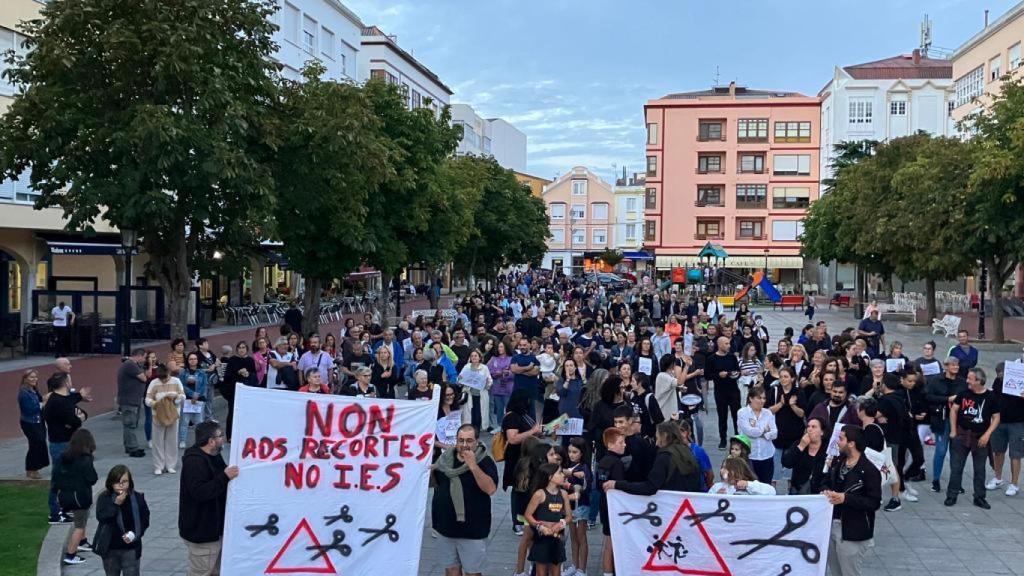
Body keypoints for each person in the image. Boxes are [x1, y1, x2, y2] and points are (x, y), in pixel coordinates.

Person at [431, 424, 498, 576]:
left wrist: (473, 466)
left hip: (472, 528)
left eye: (469, 441)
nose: (464, 445)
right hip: (445, 526)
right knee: (451, 570)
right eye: (461, 440)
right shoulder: (446, 458)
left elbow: (490, 489)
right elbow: (435, 484)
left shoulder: (485, 461)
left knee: (472, 572)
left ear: (477, 441)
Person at [179, 421, 238, 576]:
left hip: (214, 530)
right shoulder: (195, 462)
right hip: (202, 534)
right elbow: (200, 492)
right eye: (220, 436)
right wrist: (224, 477)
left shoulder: (213, 455)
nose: (223, 439)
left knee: (216, 571)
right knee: (201, 572)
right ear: (211, 441)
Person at [823, 425, 882, 576]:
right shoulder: (838, 462)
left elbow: (873, 503)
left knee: (850, 572)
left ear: (852, 443)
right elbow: (827, 482)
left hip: (853, 530)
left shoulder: (869, 471)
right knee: (835, 571)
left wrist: (846, 498)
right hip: (832, 525)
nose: (837, 442)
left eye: (841, 438)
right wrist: (825, 490)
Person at [946, 368, 1000, 509]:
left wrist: (987, 434)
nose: (967, 381)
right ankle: (952, 495)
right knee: (956, 467)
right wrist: (953, 430)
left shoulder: (990, 397)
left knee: (980, 469)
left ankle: (979, 497)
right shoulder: (964, 394)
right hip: (962, 435)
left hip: (980, 437)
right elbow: (954, 410)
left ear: (979, 381)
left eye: (970, 378)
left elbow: (996, 417)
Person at [42, 370, 92, 524]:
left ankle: (63, 508)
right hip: (61, 444)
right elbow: (74, 420)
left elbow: (71, 404)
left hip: (63, 442)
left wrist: (79, 398)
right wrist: (79, 418)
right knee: (59, 478)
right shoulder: (59, 402)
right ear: (65, 383)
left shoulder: (59, 399)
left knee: (66, 477)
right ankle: (55, 513)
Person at [605, 420, 701, 495]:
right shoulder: (686, 451)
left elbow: (650, 487)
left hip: (670, 508)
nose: (656, 442)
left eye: (658, 437)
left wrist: (618, 485)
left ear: (665, 436)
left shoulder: (665, 456)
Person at [93, 465, 150, 576]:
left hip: (131, 548)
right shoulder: (105, 498)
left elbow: (145, 519)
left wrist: (134, 534)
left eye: (124, 481)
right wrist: (116, 505)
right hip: (110, 547)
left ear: (130, 482)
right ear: (111, 483)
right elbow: (102, 517)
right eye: (117, 482)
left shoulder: (137, 498)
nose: (121, 485)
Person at [53, 429, 98, 565]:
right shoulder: (86, 459)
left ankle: (82, 542)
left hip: (65, 496)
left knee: (80, 520)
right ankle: (70, 554)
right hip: (80, 498)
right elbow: (92, 478)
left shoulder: (63, 457)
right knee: (80, 524)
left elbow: (56, 477)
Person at [502, 390, 542, 536]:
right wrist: (532, 431)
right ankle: (517, 522)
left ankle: (526, 518)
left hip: (529, 458)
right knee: (518, 491)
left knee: (526, 490)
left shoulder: (524, 415)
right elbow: (512, 439)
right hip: (516, 459)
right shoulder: (512, 417)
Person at [925, 356, 967, 493]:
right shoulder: (936, 380)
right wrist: (947, 399)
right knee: (941, 451)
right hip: (941, 420)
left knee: (957, 453)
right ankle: (936, 480)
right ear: (946, 366)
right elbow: (928, 397)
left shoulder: (962, 382)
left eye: (957, 365)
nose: (956, 367)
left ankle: (956, 482)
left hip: (958, 421)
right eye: (953, 365)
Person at [524, 462, 572, 576]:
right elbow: (528, 515)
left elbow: (569, 516)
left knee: (556, 571)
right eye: (559, 473)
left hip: (557, 537)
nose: (563, 475)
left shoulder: (563, 494)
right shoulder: (539, 494)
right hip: (542, 538)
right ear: (550, 477)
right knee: (541, 571)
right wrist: (539, 526)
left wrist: (561, 523)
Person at [767, 366, 805, 490]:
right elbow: (768, 411)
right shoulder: (775, 391)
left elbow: (802, 414)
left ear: (792, 378)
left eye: (786, 377)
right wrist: (781, 404)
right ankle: (773, 494)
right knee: (774, 468)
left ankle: (790, 494)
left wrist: (792, 405)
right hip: (777, 435)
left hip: (794, 436)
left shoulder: (799, 392)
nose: (783, 379)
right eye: (781, 376)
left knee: (790, 471)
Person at [990, 361, 1024, 496]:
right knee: (998, 451)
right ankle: (998, 478)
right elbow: (994, 397)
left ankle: (1014, 484)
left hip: (1018, 422)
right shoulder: (998, 382)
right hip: (999, 421)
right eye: (999, 374)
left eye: (1002, 374)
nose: (1000, 376)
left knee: (1015, 454)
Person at [596, 428, 626, 576]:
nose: (624, 445)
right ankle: (609, 571)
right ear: (610, 444)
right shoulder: (617, 463)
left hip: (603, 505)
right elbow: (620, 486)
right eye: (621, 442)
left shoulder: (602, 462)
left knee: (608, 540)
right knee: (612, 543)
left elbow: (597, 485)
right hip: (614, 507)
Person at [145, 363, 184, 475]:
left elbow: (183, 396)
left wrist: (175, 397)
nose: (163, 380)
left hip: (173, 415)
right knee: (157, 442)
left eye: (165, 377)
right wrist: (156, 403)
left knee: (172, 440)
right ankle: (159, 466)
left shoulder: (176, 381)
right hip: (157, 415)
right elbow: (147, 399)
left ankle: (170, 465)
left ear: (169, 373)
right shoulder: (154, 382)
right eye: (160, 378)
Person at [737, 386, 778, 484]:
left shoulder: (768, 413)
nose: (762, 401)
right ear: (751, 398)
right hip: (749, 456)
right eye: (759, 398)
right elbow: (749, 431)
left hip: (767, 455)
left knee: (765, 485)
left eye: (764, 398)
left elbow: (774, 433)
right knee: (749, 485)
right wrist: (764, 430)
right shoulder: (742, 413)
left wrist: (761, 433)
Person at [563, 438, 591, 576]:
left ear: (582, 453)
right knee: (573, 537)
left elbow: (586, 485)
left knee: (581, 537)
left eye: (575, 452)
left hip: (581, 506)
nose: (571, 454)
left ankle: (582, 569)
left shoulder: (583, 468)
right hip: (571, 505)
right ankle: (575, 565)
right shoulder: (571, 465)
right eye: (569, 451)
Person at [707, 335, 741, 449]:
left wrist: (736, 374)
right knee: (722, 416)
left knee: (737, 416)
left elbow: (738, 371)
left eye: (729, 343)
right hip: (720, 391)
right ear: (719, 344)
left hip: (733, 390)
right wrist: (718, 375)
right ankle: (723, 439)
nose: (729, 345)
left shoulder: (732, 357)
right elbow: (707, 375)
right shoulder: (711, 359)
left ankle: (738, 438)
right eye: (726, 344)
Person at [782, 417, 828, 495]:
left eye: (814, 427)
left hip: (818, 493)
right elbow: (786, 463)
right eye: (808, 426)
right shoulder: (799, 443)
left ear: (822, 432)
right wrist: (801, 446)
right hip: (798, 491)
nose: (809, 429)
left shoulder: (827, 449)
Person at [117, 350, 149, 458]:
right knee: (130, 424)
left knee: (131, 424)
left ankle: (130, 446)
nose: (144, 360)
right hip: (129, 400)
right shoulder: (131, 365)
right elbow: (144, 378)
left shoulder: (130, 365)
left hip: (132, 399)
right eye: (144, 357)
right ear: (139, 356)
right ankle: (133, 448)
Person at [18, 369, 49, 479]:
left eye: (35, 377)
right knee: (36, 444)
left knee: (38, 443)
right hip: (30, 422)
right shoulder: (24, 393)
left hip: (38, 421)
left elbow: (39, 400)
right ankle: (31, 468)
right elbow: (31, 409)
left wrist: (44, 398)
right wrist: (43, 403)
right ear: (25, 379)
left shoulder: (34, 390)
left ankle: (34, 468)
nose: (34, 379)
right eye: (31, 377)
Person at [179, 352, 210, 448]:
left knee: (199, 421)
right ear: (187, 361)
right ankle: (182, 441)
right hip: (187, 399)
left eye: (195, 359)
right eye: (190, 359)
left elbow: (204, 385)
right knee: (184, 421)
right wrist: (192, 394)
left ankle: (199, 441)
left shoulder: (202, 372)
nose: (193, 361)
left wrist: (197, 395)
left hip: (199, 400)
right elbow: (181, 385)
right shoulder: (183, 372)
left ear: (197, 360)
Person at [708, 456, 775, 495]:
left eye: (726, 468)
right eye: (722, 467)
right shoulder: (717, 487)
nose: (722, 470)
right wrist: (716, 497)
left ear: (737, 470)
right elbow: (707, 502)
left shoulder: (752, 484)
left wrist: (748, 485)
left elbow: (772, 492)